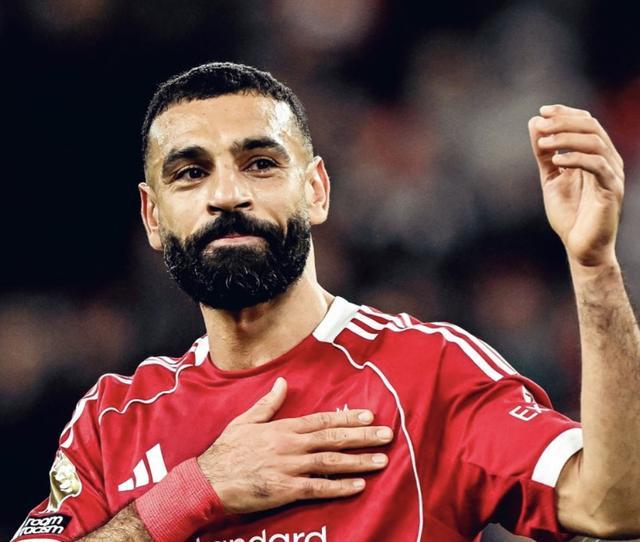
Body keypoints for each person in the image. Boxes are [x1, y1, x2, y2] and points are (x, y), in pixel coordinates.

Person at [12, 62, 639, 542]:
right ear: (153, 217)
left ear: (316, 191)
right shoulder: (112, 420)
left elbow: (617, 505)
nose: (226, 194)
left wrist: (594, 268)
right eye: (190, 172)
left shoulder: (428, 373)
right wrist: (194, 490)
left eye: (260, 163)